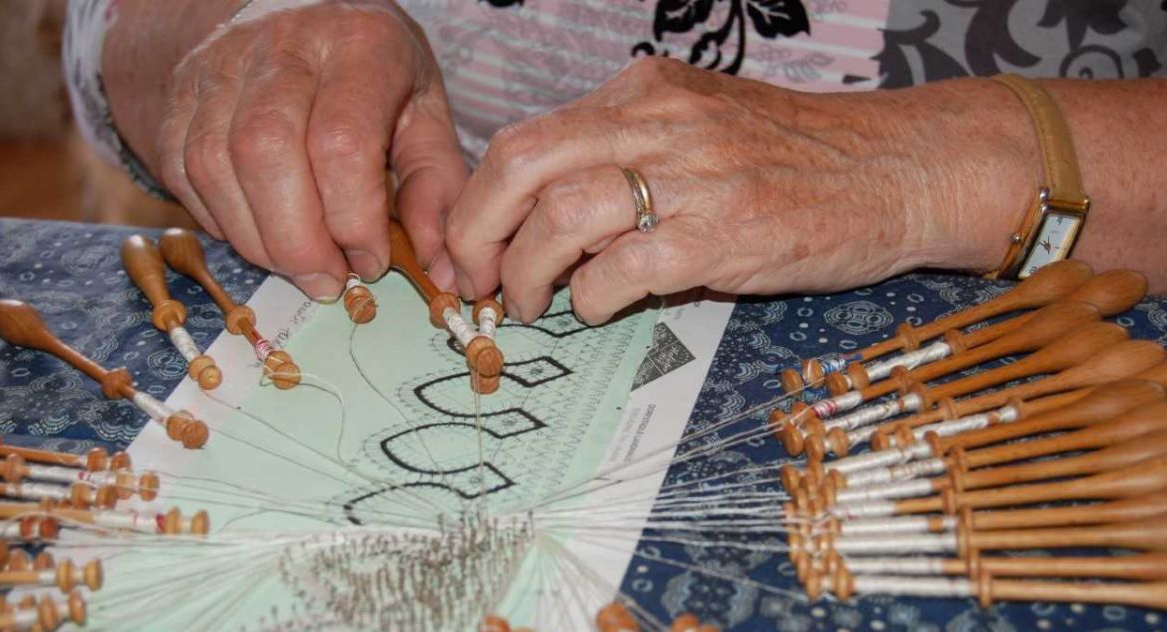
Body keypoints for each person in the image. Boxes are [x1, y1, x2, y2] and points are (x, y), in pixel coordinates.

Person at [66, 0, 1167, 324]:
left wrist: (917, 168)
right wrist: (242, 32)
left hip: (1012, 337)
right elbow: (105, 25)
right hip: (409, 268)